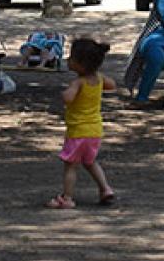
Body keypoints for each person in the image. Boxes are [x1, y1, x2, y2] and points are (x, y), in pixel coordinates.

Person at [46, 38, 116, 209]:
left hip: (78, 130)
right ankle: (105, 188)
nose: (68, 60)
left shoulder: (78, 82)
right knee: (90, 162)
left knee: (70, 165)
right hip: (94, 130)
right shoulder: (99, 78)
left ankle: (67, 198)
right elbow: (112, 85)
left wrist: (65, 93)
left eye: (72, 58)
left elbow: (69, 98)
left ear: (81, 64)